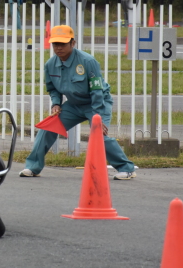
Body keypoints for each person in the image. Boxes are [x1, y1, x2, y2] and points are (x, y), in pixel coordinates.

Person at [19, 25, 136, 180]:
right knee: (47, 129)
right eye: (55, 44)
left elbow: (97, 91)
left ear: (72, 43)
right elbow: (52, 88)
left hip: (97, 102)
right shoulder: (50, 65)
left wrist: (97, 117)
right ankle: (33, 167)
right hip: (73, 105)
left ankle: (127, 169)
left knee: (99, 134)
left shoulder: (88, 61)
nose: (58, 48)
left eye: (63, 44)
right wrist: (56, 103)